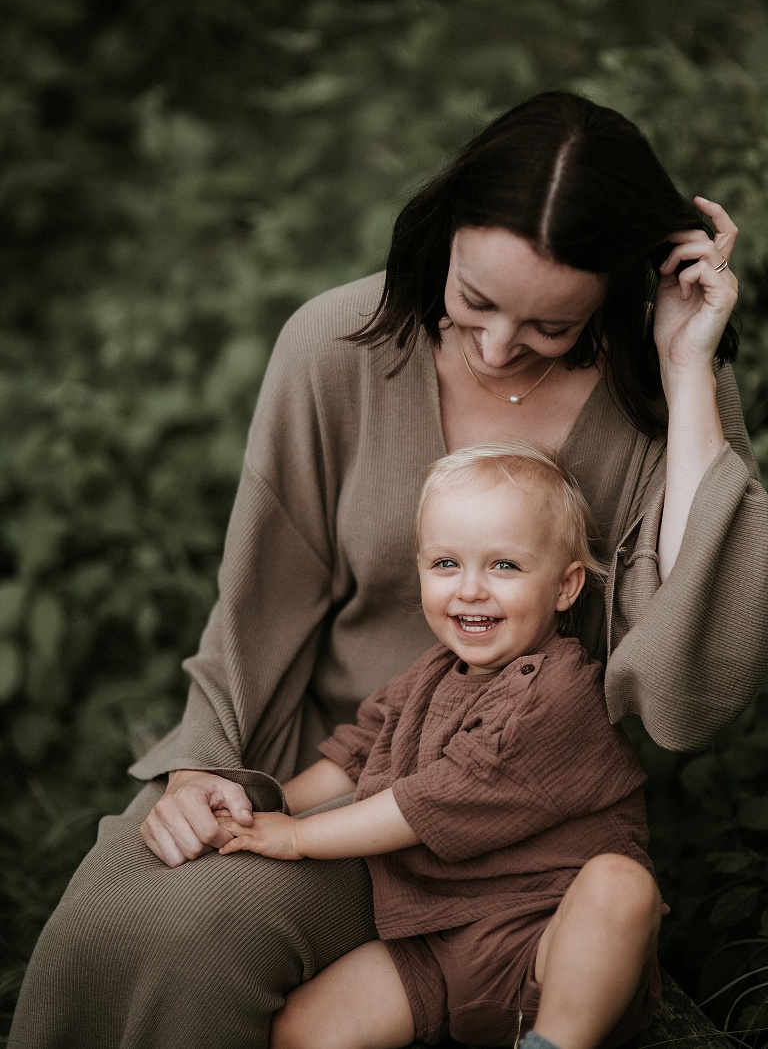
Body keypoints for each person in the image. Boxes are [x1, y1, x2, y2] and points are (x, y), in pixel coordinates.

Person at [9, 91, 768, 1049]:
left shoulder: (659, 388)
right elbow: (256, 602)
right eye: (476, 301)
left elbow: (693, 683)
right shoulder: (335, 344)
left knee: (199, 932)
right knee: (122, 930)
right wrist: (205, 765)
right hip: (326, 775)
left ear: (618, 288)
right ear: (441, 234)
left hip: (516, 835)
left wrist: (689, 366)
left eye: (550, 325)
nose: (498, 347)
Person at [214, 442, 663, 1049]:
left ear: (565, 586)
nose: (471, 589)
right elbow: (356, 753)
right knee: (302, 1028)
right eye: (446, 563)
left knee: (621, 886)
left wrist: (296, 838)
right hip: (435, 940)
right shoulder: (432, 674)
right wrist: (268, 810)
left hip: (549, 939)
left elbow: (433, 800)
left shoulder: (558, 692)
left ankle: (555, 1042)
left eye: (504, 566)